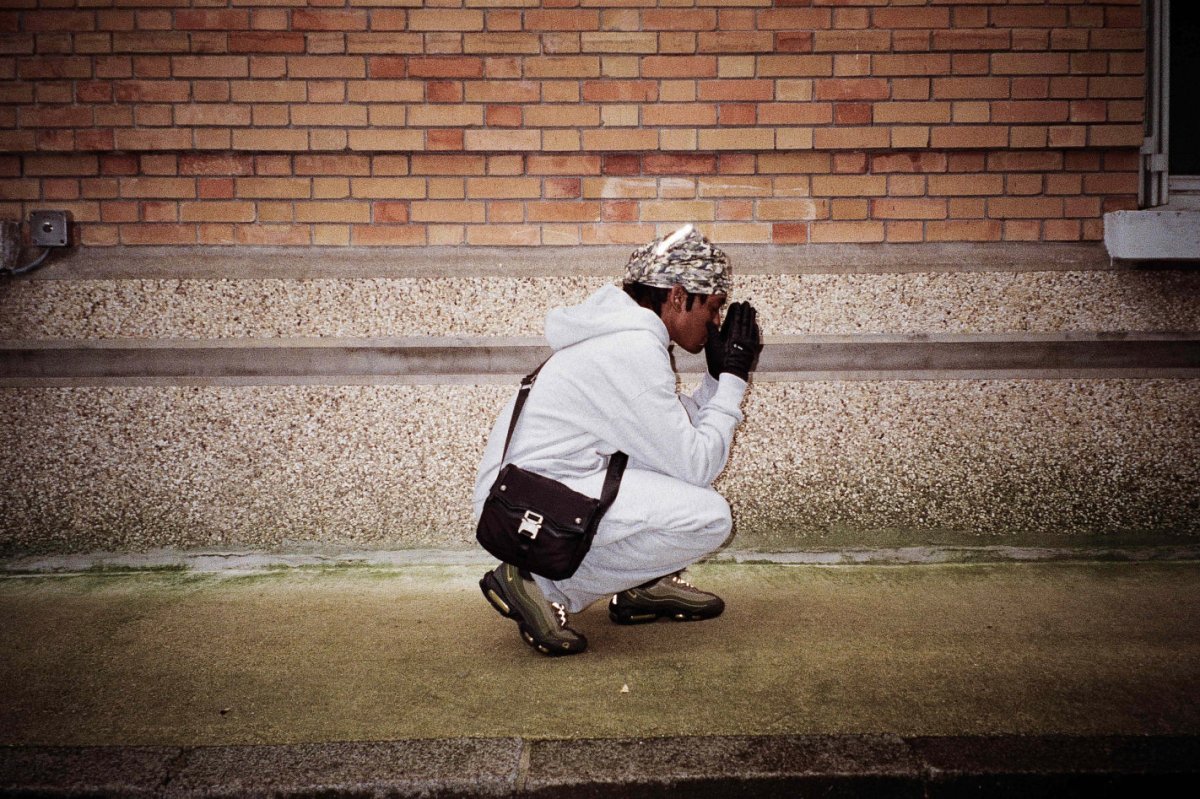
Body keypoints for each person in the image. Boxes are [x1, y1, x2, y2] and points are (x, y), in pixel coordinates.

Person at [473, 224, 761, 656]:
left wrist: (715, 381)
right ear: (678, 296)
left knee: (667, 469)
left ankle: (639, 584)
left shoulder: (623, 337)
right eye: (714, 307)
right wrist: (734, 381)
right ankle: (543, 588)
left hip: (532, 488)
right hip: (524, 507)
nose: (716, 323)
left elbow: (670, 433)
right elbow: (697, 465)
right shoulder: (631, 349)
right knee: (710, 517)